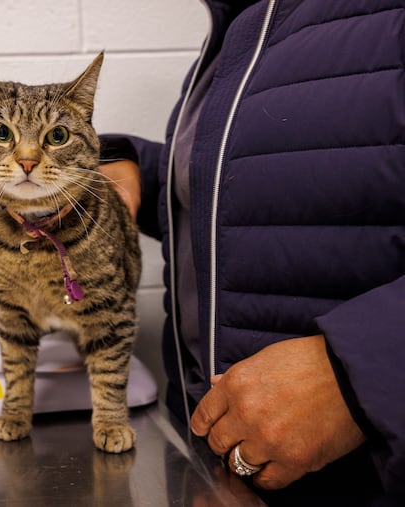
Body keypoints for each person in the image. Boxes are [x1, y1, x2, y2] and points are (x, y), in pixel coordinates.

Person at [100, 0, 405, 501]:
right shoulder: (242, 21)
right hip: (217, 476)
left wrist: (357, 377)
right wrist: (143, 171)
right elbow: (267, 196)